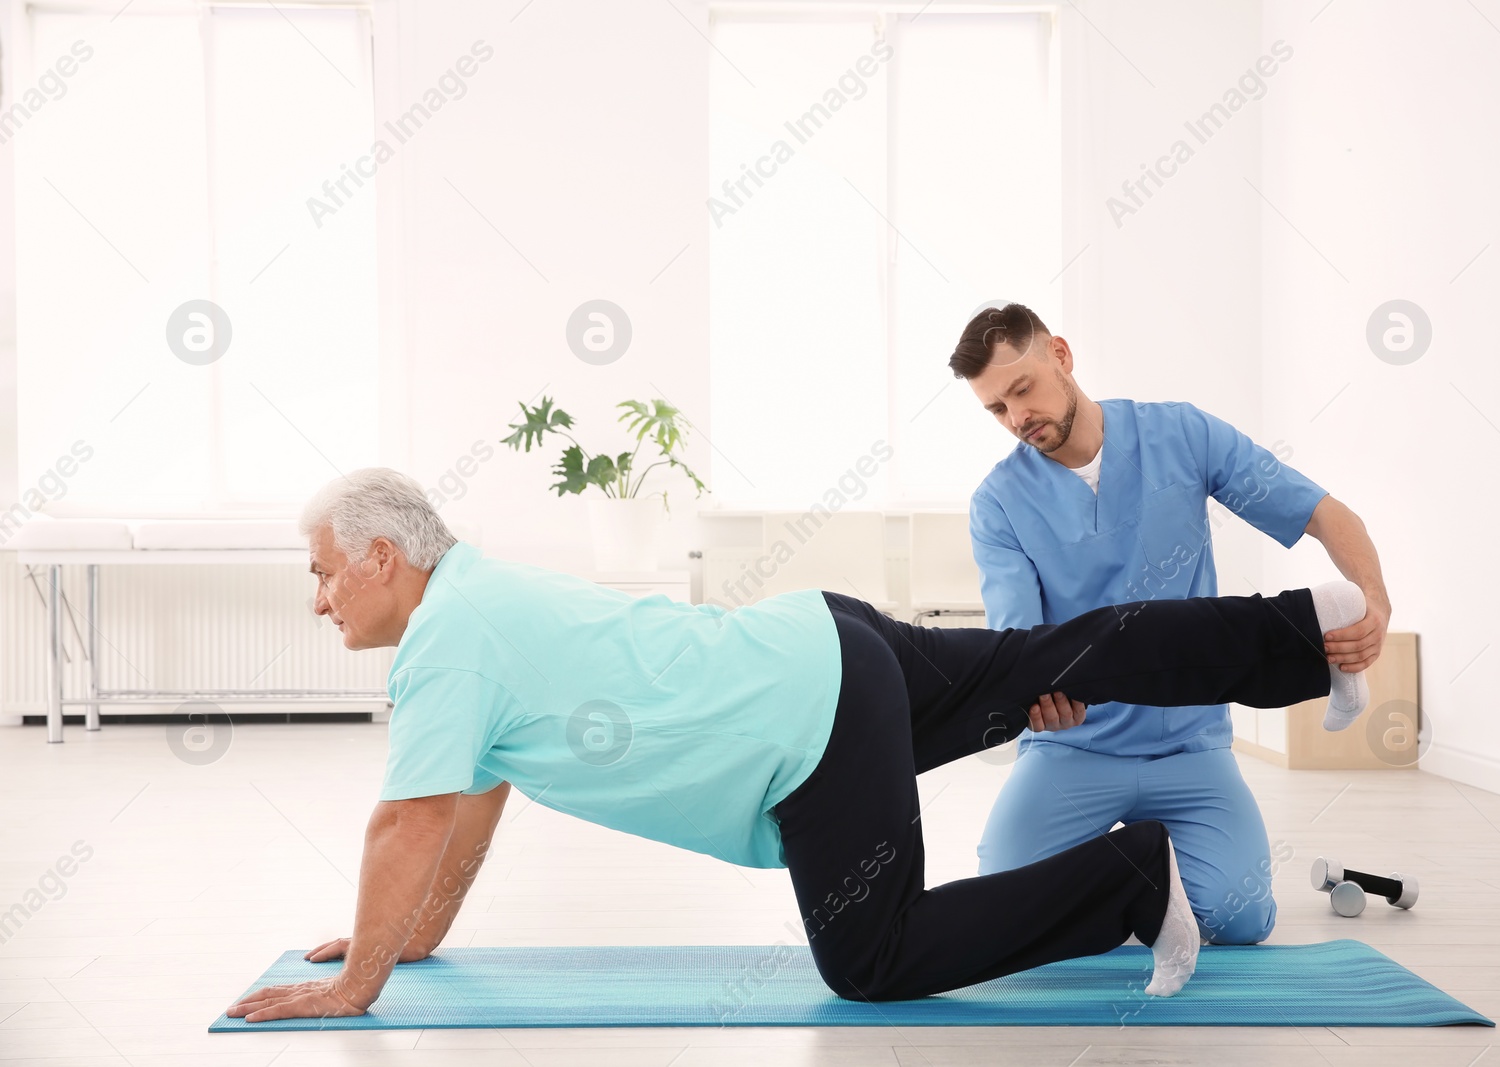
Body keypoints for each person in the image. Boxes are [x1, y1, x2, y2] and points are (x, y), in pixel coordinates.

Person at [227, 468, 1362, 1023]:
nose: (320, 599)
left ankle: (1129, 872)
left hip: (806, 723)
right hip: (823, 636)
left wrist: (360, 986)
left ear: (383, 556)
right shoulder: (477, 601)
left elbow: (410, 815)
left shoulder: (442, 644)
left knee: (872, 959)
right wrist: (411, 940)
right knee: (1046, 657)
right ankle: (1302, 629)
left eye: (323, 571)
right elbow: (465, 803)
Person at [951, 303, 1390, 944]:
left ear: (1061, 356)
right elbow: (1021, 646)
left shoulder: (1180, 435)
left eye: (1022, 390)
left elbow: (1322, 512)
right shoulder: (998, 503)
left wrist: (1375, 603)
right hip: (1072, 751)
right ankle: (1132, 872)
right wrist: (1031, 699)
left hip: (1189, 747)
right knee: (1004, 910)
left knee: (1238, 921)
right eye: (997, 409)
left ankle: (1156, 866)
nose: (1018, 418)